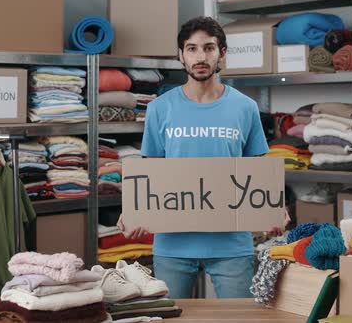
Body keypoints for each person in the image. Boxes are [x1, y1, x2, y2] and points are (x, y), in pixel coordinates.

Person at [117, 16, 286, 299]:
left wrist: (275, 208)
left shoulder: (245, 107)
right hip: (173, 245)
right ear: (180, 55)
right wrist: (136, 208)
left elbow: (259, 170)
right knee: (171, 319)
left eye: (209, 48)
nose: (200, 56)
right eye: (192, 48)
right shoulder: (160, 108)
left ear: (222, 54)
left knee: (239, 321)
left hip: (232, 245)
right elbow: (152, 172)